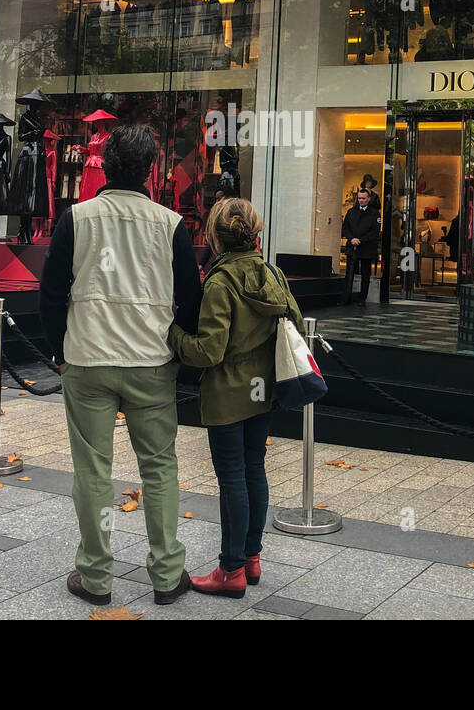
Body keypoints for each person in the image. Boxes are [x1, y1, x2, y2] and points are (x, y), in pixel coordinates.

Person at [40, 124, 203, 607]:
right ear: (151, 170)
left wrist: (60, 352)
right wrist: (177, 352)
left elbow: (50, 293)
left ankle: (95, 577)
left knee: (91, 471)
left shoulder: (77, 217)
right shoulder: (170, 223)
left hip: (87, 358)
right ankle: (167, 574)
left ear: (105, 167)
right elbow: (190, 300)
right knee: (159, 468)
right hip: (151, 360)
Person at [170, 198, 304, 598]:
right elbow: (295, 323)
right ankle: (251, 557)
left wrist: (173, 335)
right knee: (254, 469)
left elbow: (209, 350)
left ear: (215, 235)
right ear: (255, 232)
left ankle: (230, 570)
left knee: (232, 479)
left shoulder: (219, 282)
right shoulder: (272, 274)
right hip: (264, 390)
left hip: (228, 394)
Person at [340, 186, 380, 304]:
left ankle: (362, 298)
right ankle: (346, 298)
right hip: (352, 247)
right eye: (359, 198)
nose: (361, 200)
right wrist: (352, 239)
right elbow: (345, 228)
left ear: (368, 199)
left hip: (366, 248)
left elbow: (374, 232)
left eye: (363, 198)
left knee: (365, 275)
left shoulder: (374, 214)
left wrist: (360, 240)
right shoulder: (351, 212)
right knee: (349, 274)